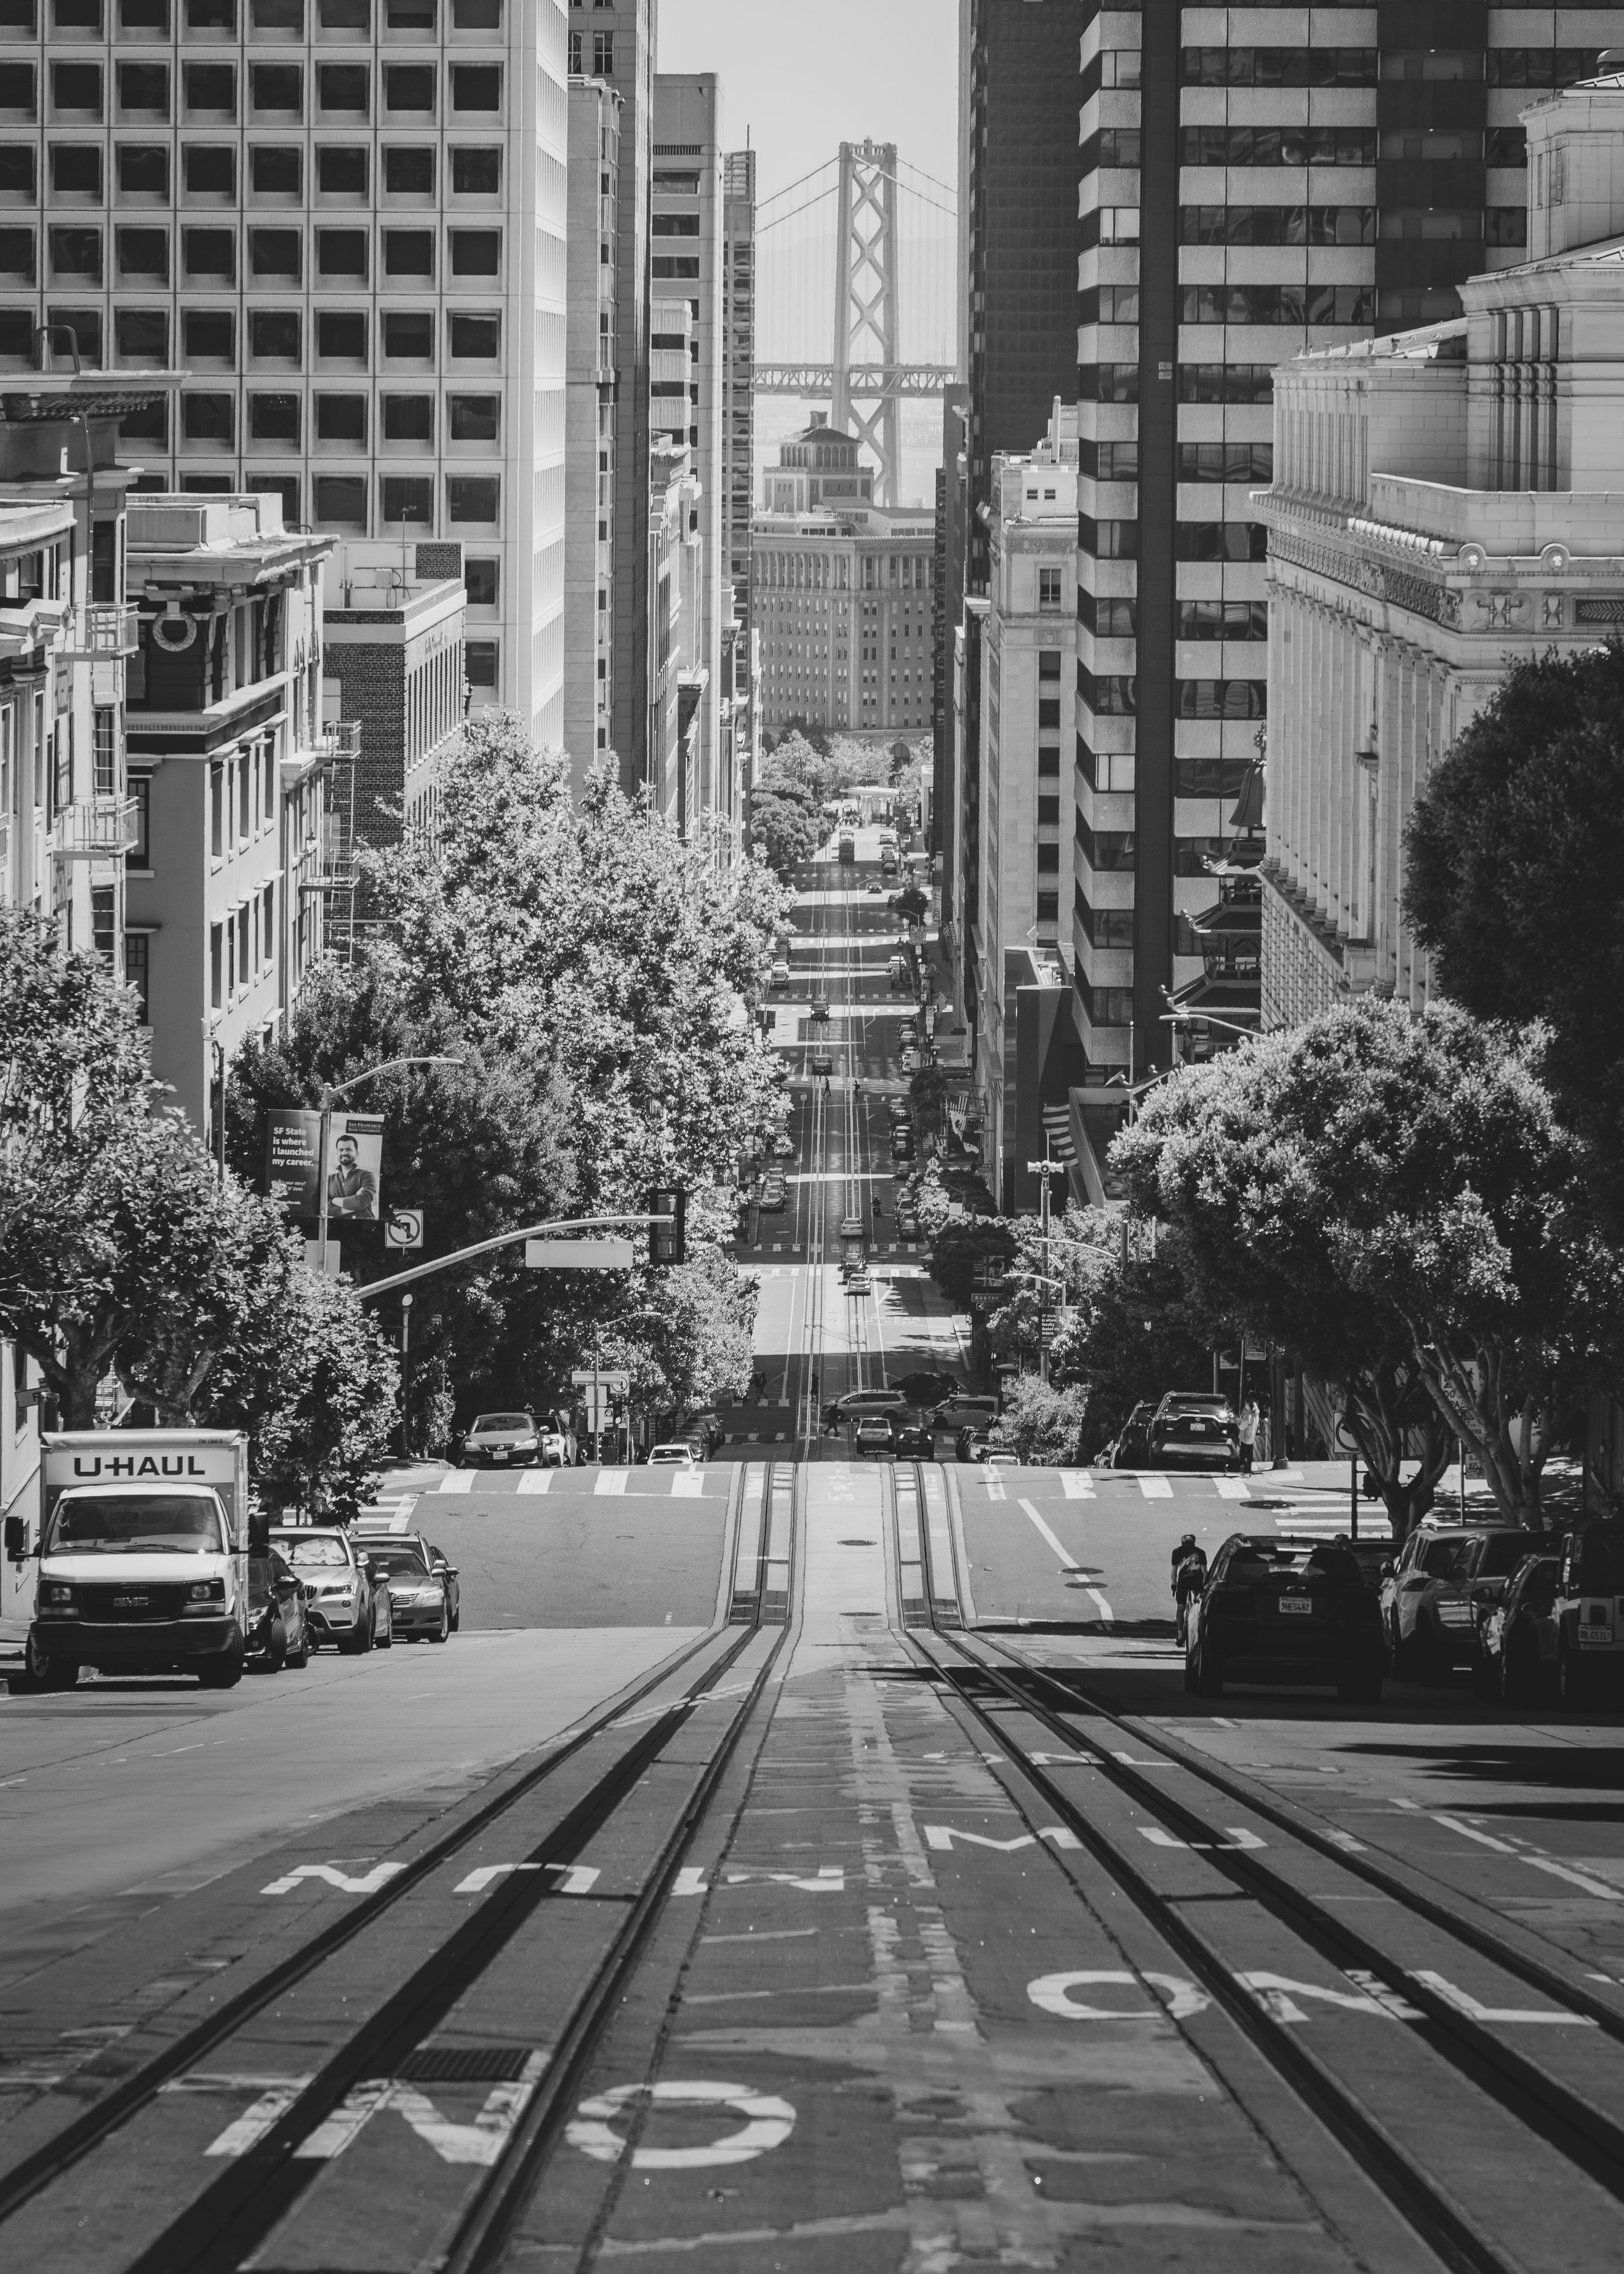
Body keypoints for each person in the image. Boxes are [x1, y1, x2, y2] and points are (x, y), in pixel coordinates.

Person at [326, 1130, 377, 1220]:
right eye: (341, 1150)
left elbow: (361, 1201)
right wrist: (353, 1204)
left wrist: (332, 1200)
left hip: (364, 1226)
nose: (344, 1153)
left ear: (357, 1153)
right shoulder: (329, 1180)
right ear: (337, 1153)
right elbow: (323, 1208)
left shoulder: (367, 1176)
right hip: (335, 1227)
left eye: (349, 1149)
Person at [1172, 1534, 1208, 1648]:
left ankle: (1181, 1636)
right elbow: (1205, 1572)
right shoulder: (1201, 1552)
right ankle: (1198, 1628)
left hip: (1183, 1582)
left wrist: (1174, 1584)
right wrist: (1205, 1585)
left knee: (1181, 1607)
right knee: (1198, 1606)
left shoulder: (1176, 1551)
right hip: (1197, 1582)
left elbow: (1174, 1572)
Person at [1238, 1397, 1260, 1475]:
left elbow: (1241, 1427)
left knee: (1243, 1455)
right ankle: (1249, 1469)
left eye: (1245, 1405)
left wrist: (1239, 1420)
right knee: (1250, 1455)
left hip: (1246, 1437)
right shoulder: (1256, 1414)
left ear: (1247, 1404)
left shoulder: (1248, 1416)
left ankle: (1246, 1469)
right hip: (1252, 1437)